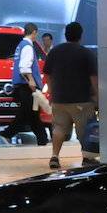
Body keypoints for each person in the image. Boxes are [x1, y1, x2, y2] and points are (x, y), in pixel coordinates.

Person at [43, 21, 98, 170]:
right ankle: (87, 158)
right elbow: (94, 78)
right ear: (81, 35)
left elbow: (46, 74)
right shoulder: (86, 53)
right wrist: (97, 97)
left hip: (59, 100)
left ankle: (54, 156)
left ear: (65, 35)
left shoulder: (55, 52)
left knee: (59, 128)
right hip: (81, 100)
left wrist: (52, 92)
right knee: (84, 130)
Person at [0, 22, 49, 145]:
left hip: (22, 85)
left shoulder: (21, 46)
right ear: (34, 32)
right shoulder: (27, 47)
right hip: (27, 86)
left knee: (33, 113)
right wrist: (31, 81)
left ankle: (42, 140)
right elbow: (24, 67)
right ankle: (6, 133)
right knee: (26, 112)